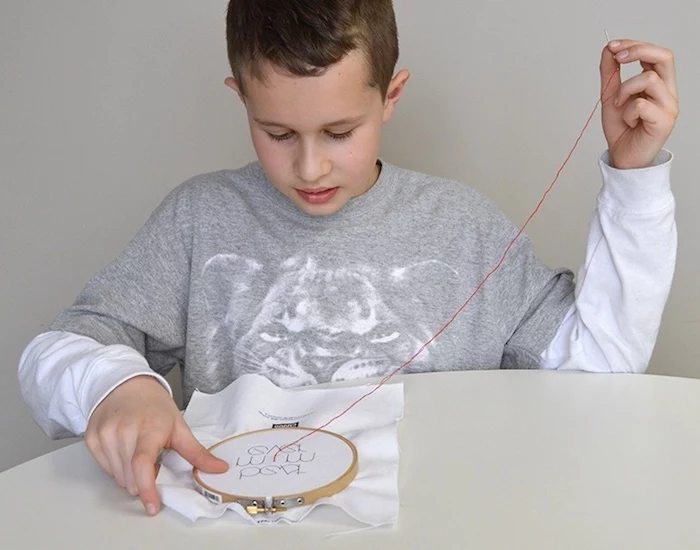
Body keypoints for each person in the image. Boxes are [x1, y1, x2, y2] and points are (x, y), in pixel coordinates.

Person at [18, 0, 678, 517]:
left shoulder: (465, 229)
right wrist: (115, 388)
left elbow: (599, 371)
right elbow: (61, 347)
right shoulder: (198, 221)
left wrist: (634, 178)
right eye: (278, 134)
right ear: (241, 98)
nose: (310, 166)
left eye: (340, 132)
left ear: (390, 97)